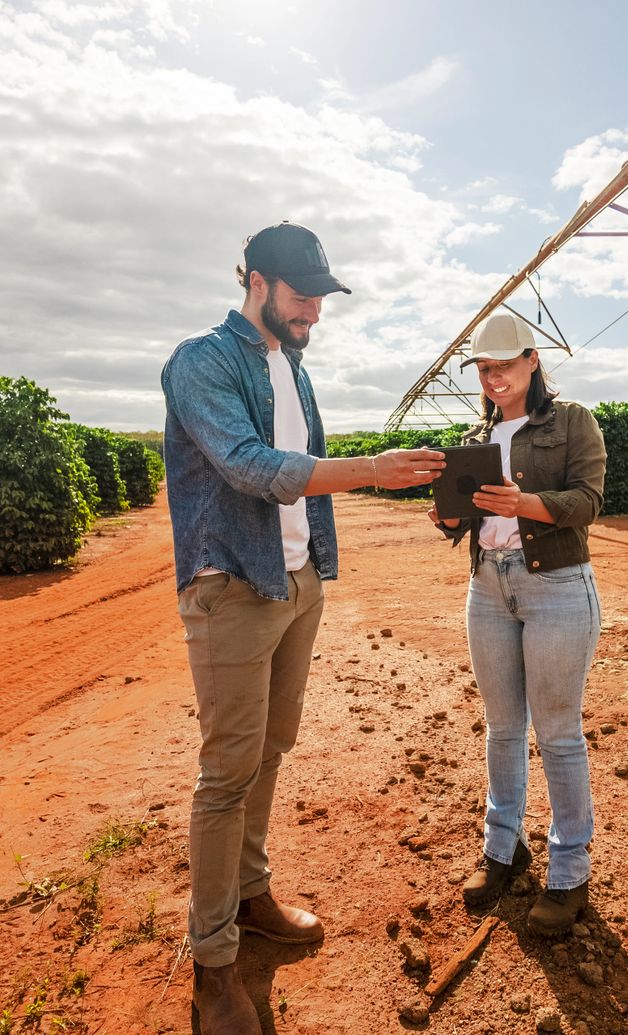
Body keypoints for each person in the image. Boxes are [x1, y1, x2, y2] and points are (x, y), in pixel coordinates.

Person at [161, 221, 445, 1035]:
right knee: (226, 773)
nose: (312, 314)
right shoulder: (200, 362)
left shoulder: (295, 366)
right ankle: (213, 962)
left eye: (320, 301)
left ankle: (249, 897)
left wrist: (320, 556)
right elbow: (250, 466)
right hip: (232, 590)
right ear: (255, 283)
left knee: (270, 751)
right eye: (301, 298)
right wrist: (373, 471)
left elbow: (302, 465)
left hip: (295, 583)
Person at [429, 310, 605, 937]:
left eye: (504, 366)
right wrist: (451, 520)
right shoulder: (475, 440)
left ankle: (569, 871)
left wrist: (524, 504)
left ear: (533, 361)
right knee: (502, 728)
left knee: (558, 733)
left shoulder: (573, 422)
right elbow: (466, 521)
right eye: (483, 368)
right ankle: (502, 850)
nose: (493, 378)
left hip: (556, 585)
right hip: (488, 586)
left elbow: (588, 501)